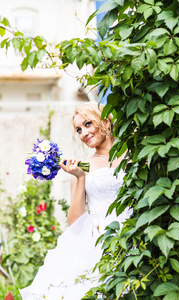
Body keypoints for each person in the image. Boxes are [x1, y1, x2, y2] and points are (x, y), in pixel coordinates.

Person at [20, 102, 130, 300]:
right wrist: (79, 177)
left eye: (88, 124)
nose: (83, 133)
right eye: (78, 129)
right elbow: (74, 221)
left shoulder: (132, 155)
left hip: (133, 231)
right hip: (99, 239)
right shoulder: (84, 166)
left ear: (104, 120)